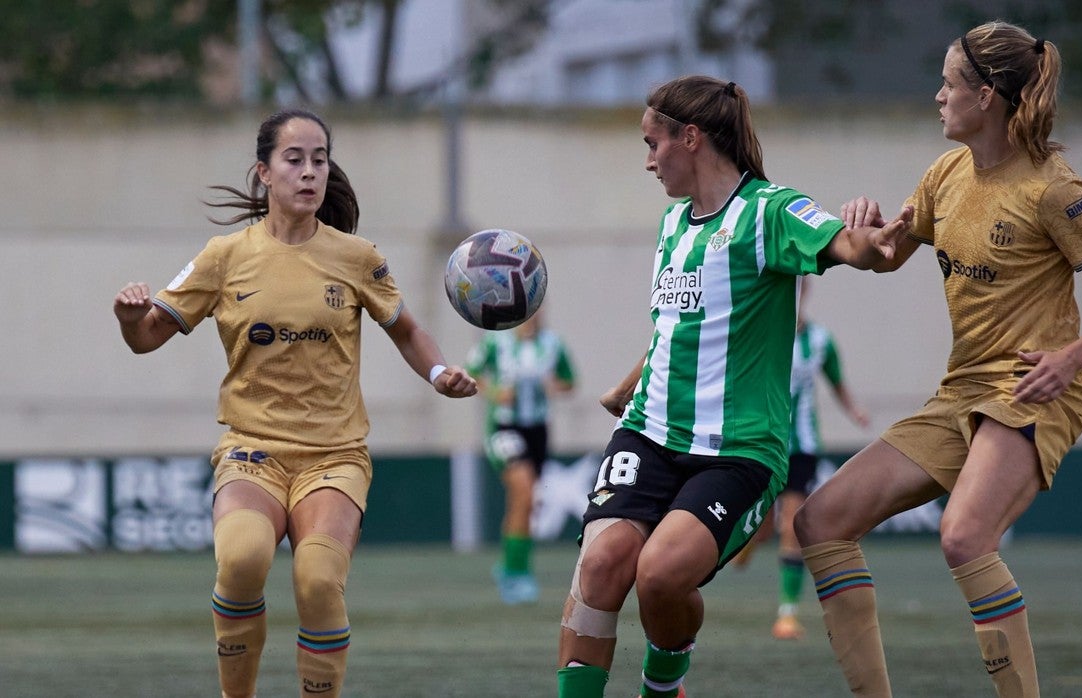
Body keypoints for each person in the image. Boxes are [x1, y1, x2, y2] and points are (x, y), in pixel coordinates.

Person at [793, 22, 1082, 698]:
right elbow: (883, 256)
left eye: (948, 83)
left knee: (964, 537)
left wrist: (1071, 359)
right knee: (820, 521)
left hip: (1030, 390)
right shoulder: (945, 174)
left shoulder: (1055, 191)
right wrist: (860, 227)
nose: (937, 96)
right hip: (960, 395)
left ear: (986, 97)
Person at [555, 75, 914, 698]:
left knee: (661, 577)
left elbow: (850, 245)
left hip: (739, 452)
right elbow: (678, 327)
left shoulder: (770, 212)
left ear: (689, 138)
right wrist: (629, 383)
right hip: (648, 431)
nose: (647, 161)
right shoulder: (672, 226)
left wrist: (875, 238)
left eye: (652, 143)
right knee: (600, 567)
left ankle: (663, 687)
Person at [112, 108, 477, 698]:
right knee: (242, 560)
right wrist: (130, 320)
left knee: (317, 579)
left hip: (334, 455)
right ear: (264, 173)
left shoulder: (357, 257)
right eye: (295, 159)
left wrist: (439, 373)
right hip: (252, 449)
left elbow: (408, 330)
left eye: (320, 160)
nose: (310, 172)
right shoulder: (223, 257)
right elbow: (147, 336)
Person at [733, 280, 871, 641]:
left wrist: (854, 410)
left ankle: (787, 613)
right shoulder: (759, 328)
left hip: (803, 447)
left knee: (793, 525)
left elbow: (836, 380)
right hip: (761, 443)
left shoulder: (821, 340)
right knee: (762, 527)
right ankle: (749, 540)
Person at [465, 308, 577, 605]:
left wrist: (554, 386)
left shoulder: (552, 345)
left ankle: (512, 565)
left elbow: (569, 380)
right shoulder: (495, 342)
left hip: (537, 430)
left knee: (524, 501)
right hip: (504, 426)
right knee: (524, 491)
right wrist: (494, 392)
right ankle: (516, 574)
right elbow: (472, 372)